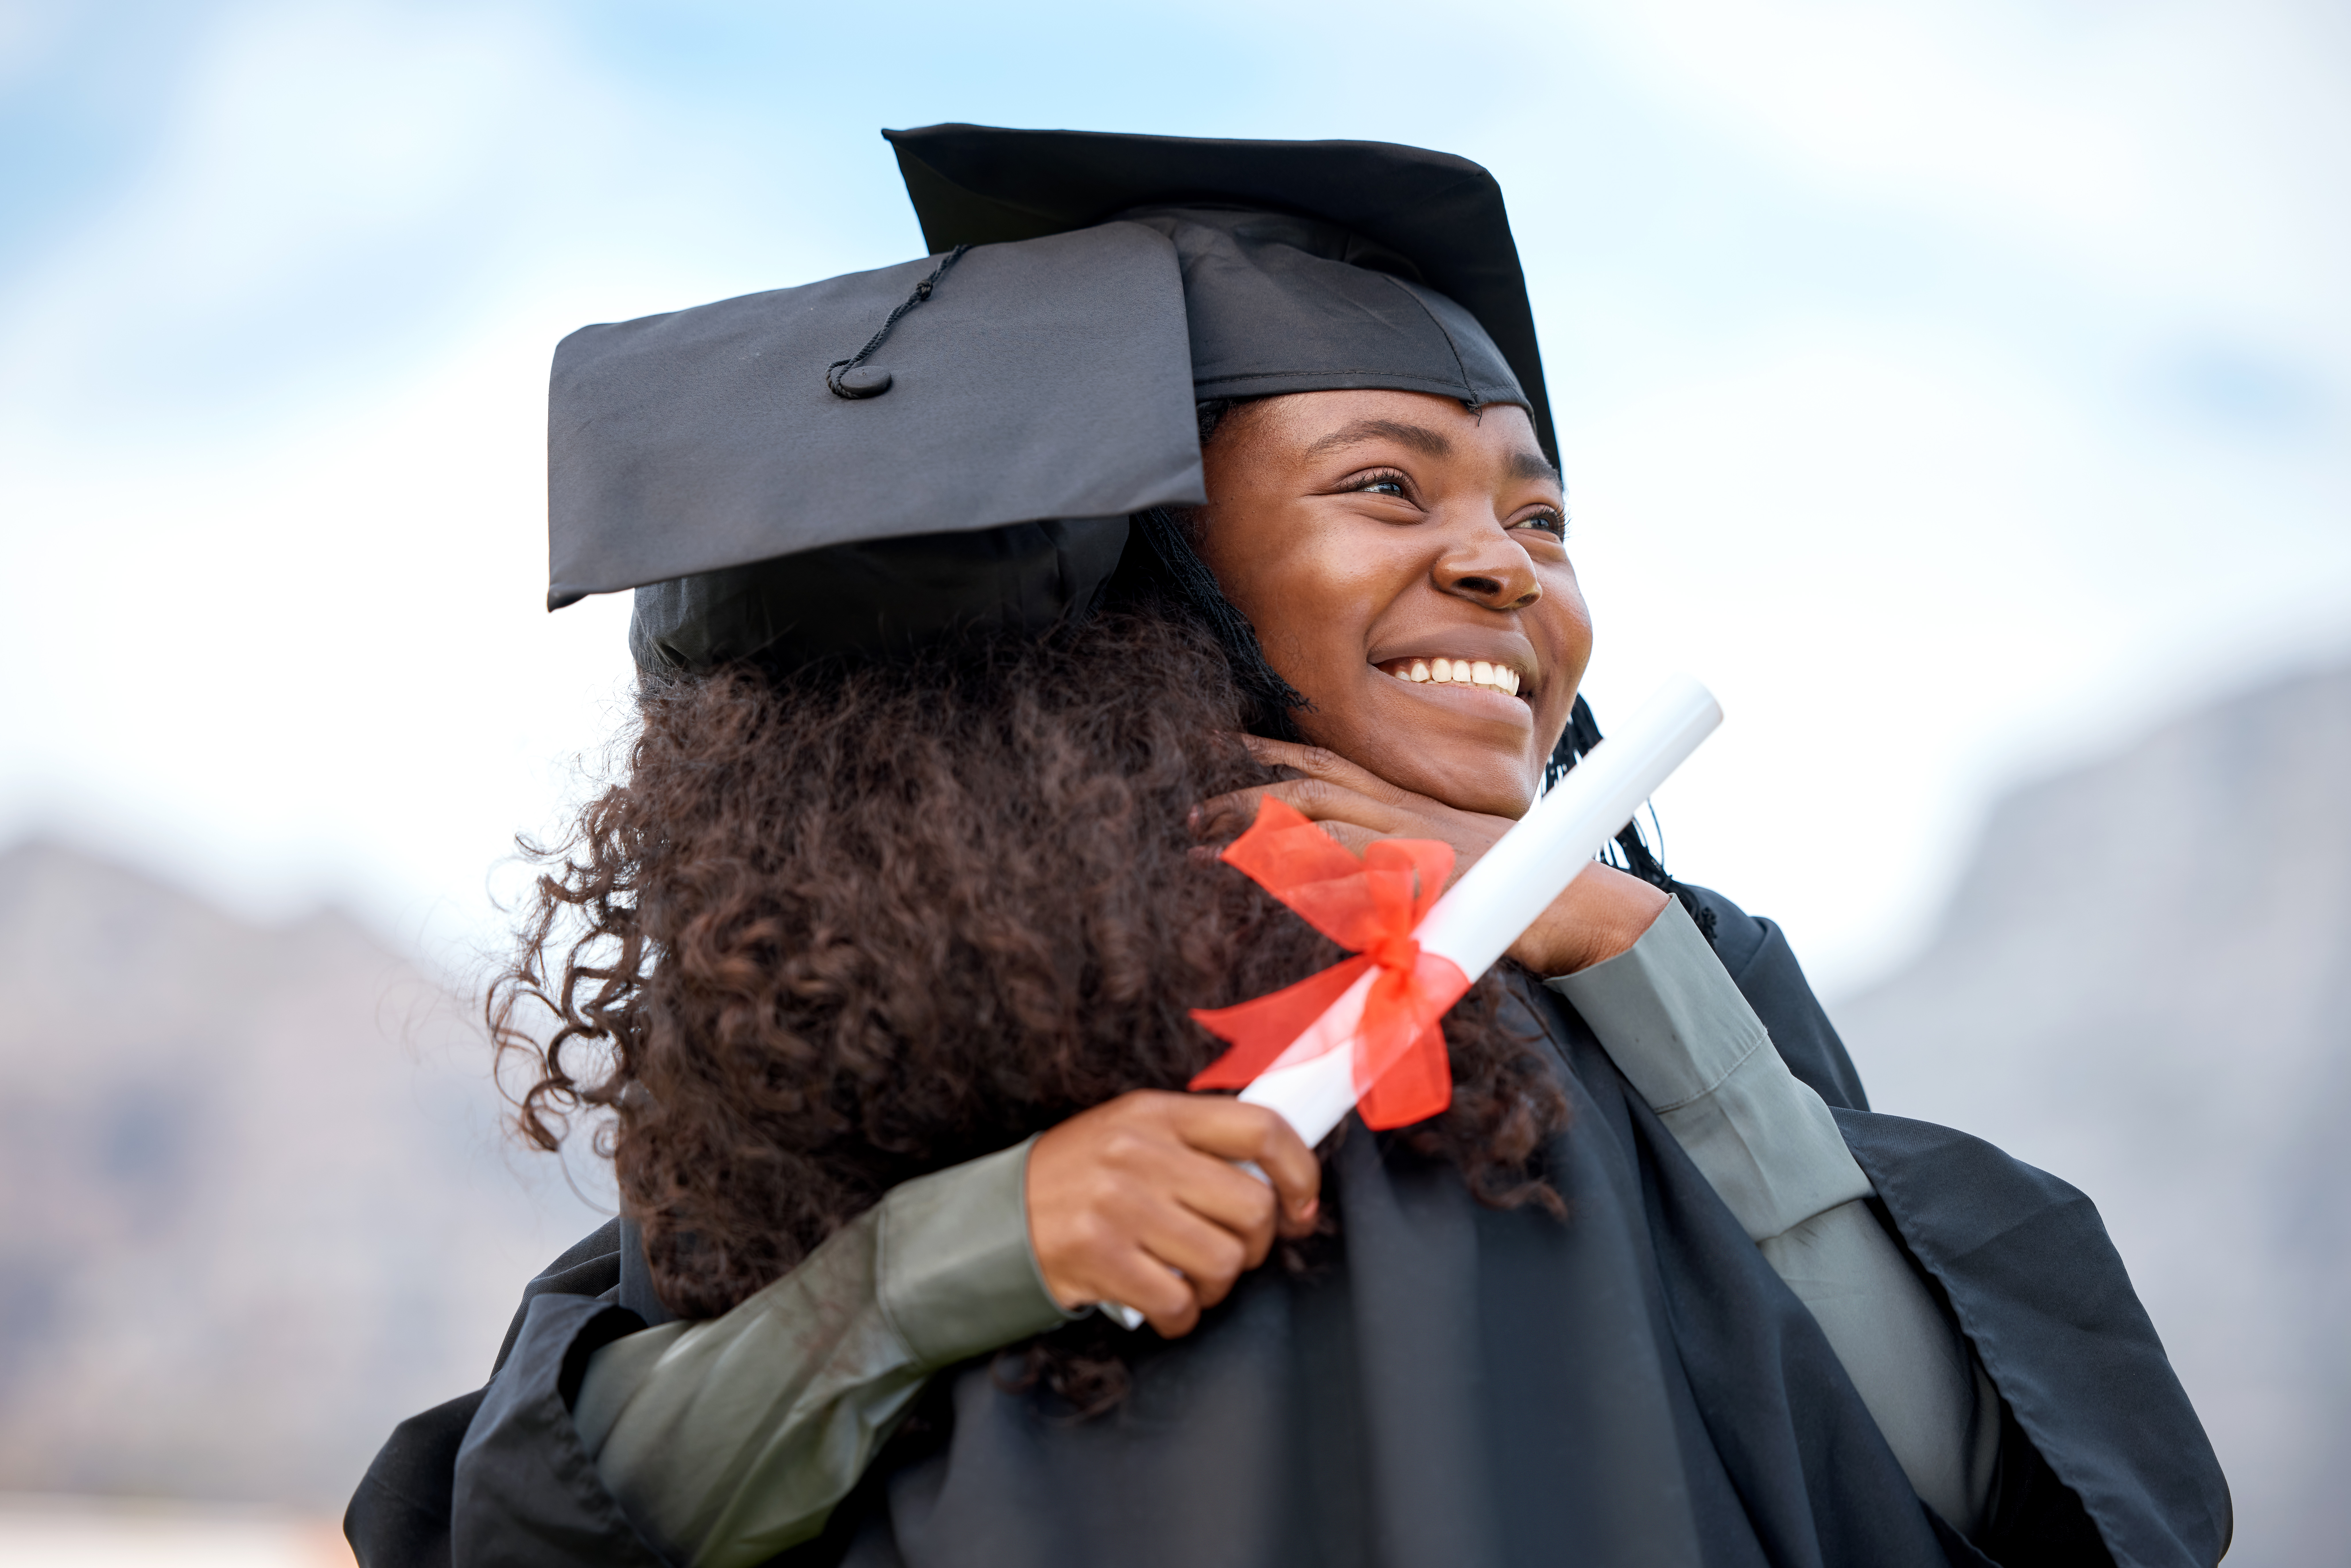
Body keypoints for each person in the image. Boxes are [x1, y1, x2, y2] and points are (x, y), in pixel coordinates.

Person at [348, 126, 2228, 1568]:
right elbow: (580, 1511)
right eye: (1383, 485)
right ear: (1165, 565)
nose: (1504, 562)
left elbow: (1978, 1489)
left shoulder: (1677, 968)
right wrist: (960, 1251)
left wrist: (1647, 978)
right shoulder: (969, 970)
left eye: (1538, 512)